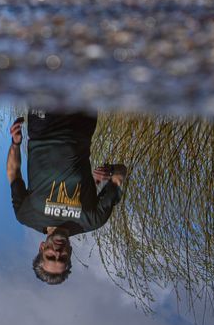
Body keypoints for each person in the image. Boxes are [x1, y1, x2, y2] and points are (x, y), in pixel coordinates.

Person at [7, 113, 129, 285]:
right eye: (62, 259)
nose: (57, 252)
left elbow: (14, 173)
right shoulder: (93, 220)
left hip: (43, 128)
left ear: (42, 248)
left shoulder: (26, 216)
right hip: (81, 126)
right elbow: (121, 172)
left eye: (50, 257)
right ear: (70, 253)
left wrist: (15, 144)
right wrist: (110, 170)